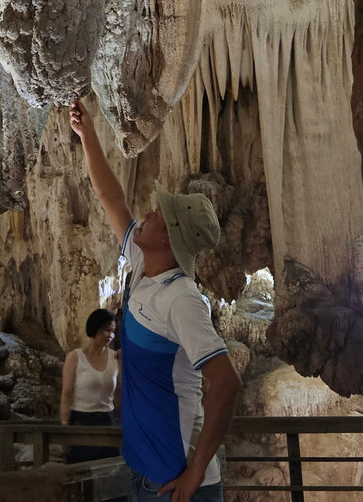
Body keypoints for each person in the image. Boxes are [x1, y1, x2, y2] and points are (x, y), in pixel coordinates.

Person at [70, 96, 241, 502]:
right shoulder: (141, 263)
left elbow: (226, 381)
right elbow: (113, 199)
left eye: (160, 214)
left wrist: (196, 472)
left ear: (169, 237)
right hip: (144, 472)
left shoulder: (181, 298)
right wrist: (88, 136)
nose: (148, 213)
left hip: (178, 482)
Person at [60, 308, 120, 463]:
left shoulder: (115, 358)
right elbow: (67, 394)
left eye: (113, 331)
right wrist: (65, 428)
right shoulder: (75, 358)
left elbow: (120, 394)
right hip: (81, 421)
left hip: (107, 420)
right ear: (95, 328)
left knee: (108, 469)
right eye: (107, 330)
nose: (110, 335)